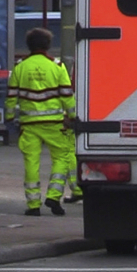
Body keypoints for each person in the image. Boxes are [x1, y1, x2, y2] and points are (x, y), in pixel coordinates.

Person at [4, 28, 76, 216]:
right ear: (48, 45)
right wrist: (73, 117)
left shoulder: (20, 67)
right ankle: (54, 195)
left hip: (29, 125)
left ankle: (33, 205)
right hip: (54, 123)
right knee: (61, 157)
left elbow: (11, 97)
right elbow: (67, 96)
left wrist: (10, 119)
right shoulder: (57, 66)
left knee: (31, 162)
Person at [55, 58, 83, 204]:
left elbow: (71, 90)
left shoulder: (78, 62)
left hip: (74, 111)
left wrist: (68, 115)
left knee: (69, 152)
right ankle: (77, 189)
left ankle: (78, 190)